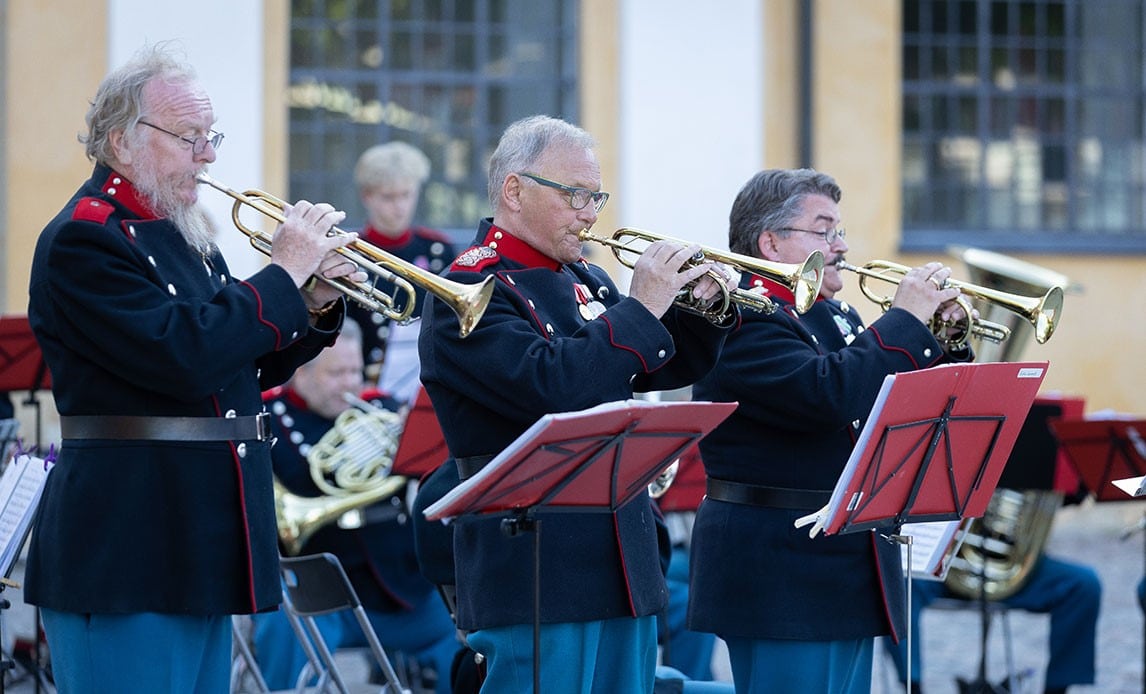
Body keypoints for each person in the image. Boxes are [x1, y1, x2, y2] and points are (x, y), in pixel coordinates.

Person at [24, 42, 362, 694]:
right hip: (128, 545)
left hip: (200, 540)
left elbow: (237, 363)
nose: (208, 156)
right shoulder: (84, 238)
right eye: (189, 137)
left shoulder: (182, 232)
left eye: (212, 137)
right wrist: (283, 274)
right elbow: (182, 356)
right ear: (122, 142)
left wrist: (312, 303)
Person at [414, 114, 736, 693]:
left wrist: (702, 310)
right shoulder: (469, 289)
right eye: (577, 195)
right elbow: (553, 385)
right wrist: (640, 308)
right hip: (536, 559)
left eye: (597, 196)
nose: (591, 212)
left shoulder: (585, 276)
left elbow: (656, 365)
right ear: (515, 190)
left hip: (621, 551)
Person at [687, 168, 976, 694]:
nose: (841, 245)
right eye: (824, 231)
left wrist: (942, 336)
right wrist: (906, 321)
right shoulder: (741, 316)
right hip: (783, 572)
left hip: (841, 562)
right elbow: (827, 395)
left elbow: (885, 398)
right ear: (771, 243)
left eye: (839, 230)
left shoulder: (832, 314)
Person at [252, 317, 460, 693]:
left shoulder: (383, 410)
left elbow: (430, 480)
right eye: (336, 374)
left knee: (459, 632)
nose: (350, 383)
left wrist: (414, 444)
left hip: (398, 586)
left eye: (355, 370)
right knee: (283, 618)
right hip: (319, 590)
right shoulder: (269, 420)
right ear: (300, 371)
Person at [884, 551, 1100, 694]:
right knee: (896, 581)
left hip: (1016, 566)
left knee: (1084, 585)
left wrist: (1071, 493)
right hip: (947, 563)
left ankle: (1056, 689)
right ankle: (912, 687)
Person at [348, 142, 458, 393]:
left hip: (432, 384)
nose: (399, 207)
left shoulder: (438, 249)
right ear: (367, 196)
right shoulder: (351, 253)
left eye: (406, 195)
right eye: (388, 197)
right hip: (367, 389)